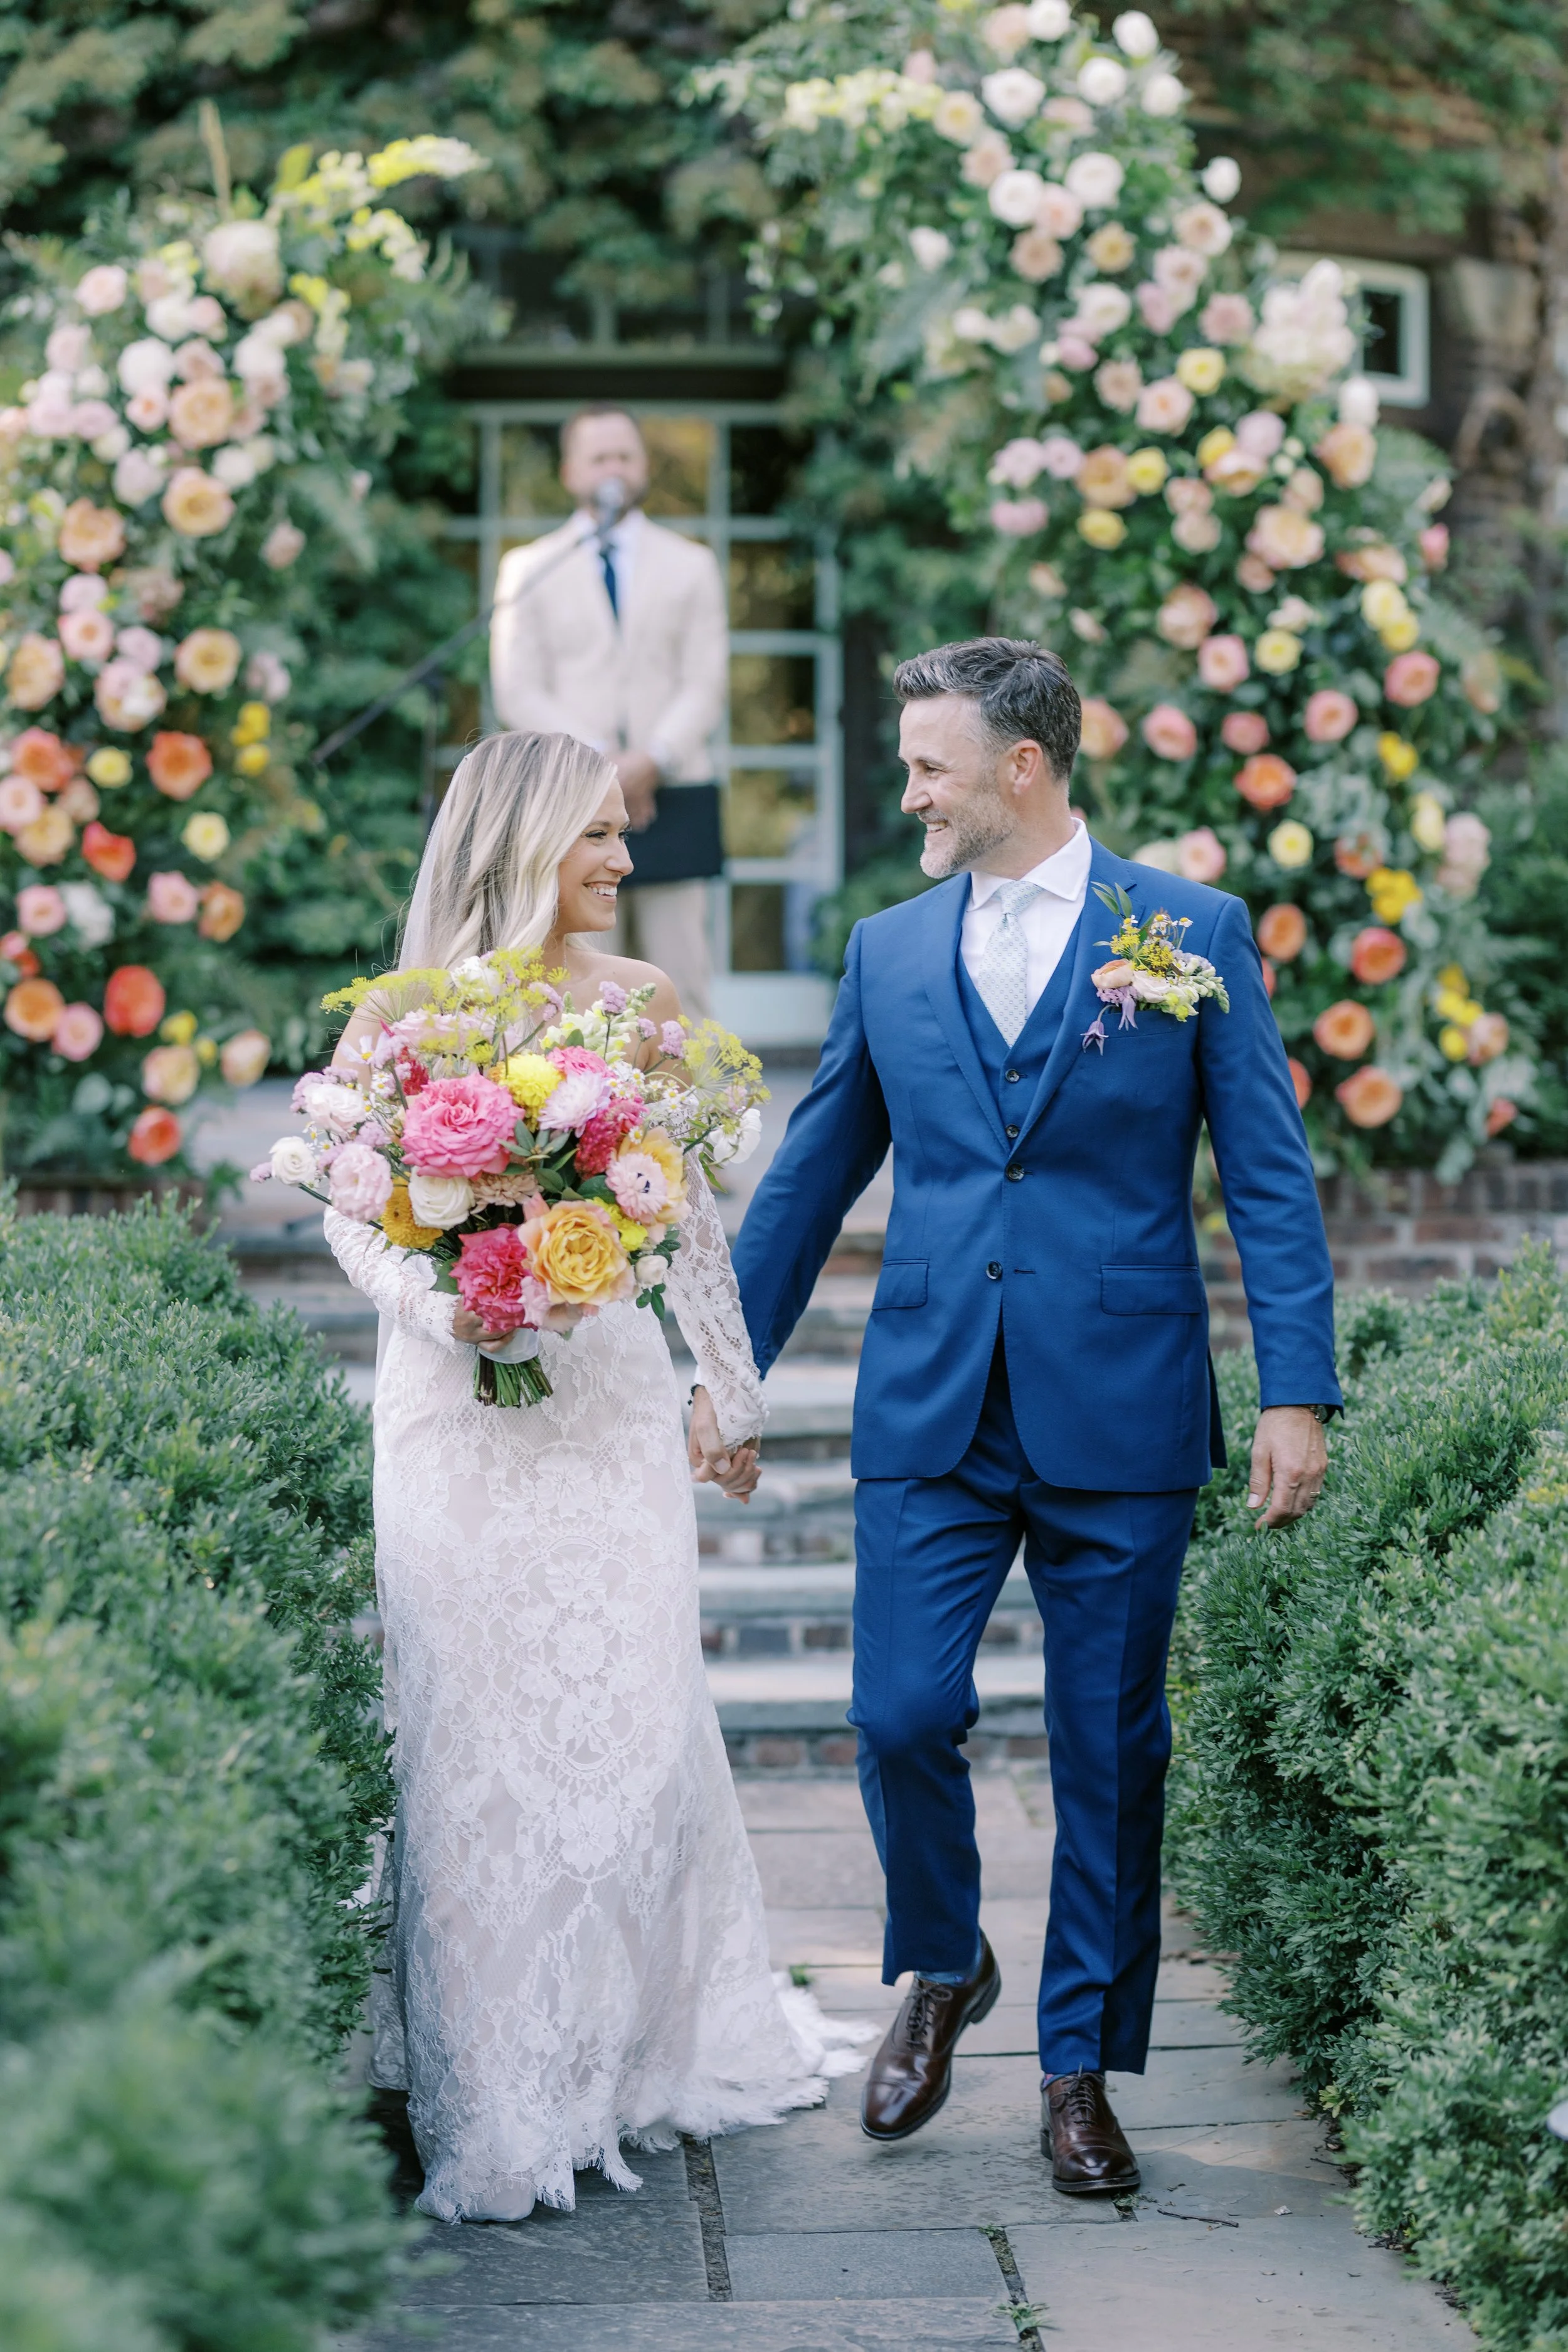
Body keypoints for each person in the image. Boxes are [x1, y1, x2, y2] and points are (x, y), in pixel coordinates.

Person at [731, 638, 1340, 2196]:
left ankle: (1079, 2067)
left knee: (1106, 1748)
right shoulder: (887, 948)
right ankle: (942, 1960)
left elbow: (1264, 1168)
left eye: (930, 763)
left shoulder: (1183, 933)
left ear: (1024, 766)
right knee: (900, 1713)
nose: (909, 789)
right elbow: (807, 1179)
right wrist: (720, 1371)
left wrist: (1293, 1386)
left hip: (1123, 1400)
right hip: (933, 1393)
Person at [321, 730, 866, 2223]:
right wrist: (456, 1307)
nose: (627, 862)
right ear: (519, 842)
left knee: (624, 1727)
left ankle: (621, 2045)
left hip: (606, 1410)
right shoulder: (404, 1016)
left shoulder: (645, 1006)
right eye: (600, 838)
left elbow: (686, 1220)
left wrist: (729, 1395)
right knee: (469, 1740)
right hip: (458, 1414)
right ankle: (498, 2086)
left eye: (625, 835)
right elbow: (353, 1210)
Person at [489, 408, 728, 1018]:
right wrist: (603, 767)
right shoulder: (529, 567)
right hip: (573, 799)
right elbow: (517, 689)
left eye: (624, 455)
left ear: (643, 467)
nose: (613, 468)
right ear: (571, 473)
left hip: (674, 786)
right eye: (599, 458)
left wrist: (651, 760)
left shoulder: (692, 564)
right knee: (584, 984)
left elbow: (705, 680)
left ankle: (699, 1112)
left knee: (683, 981)